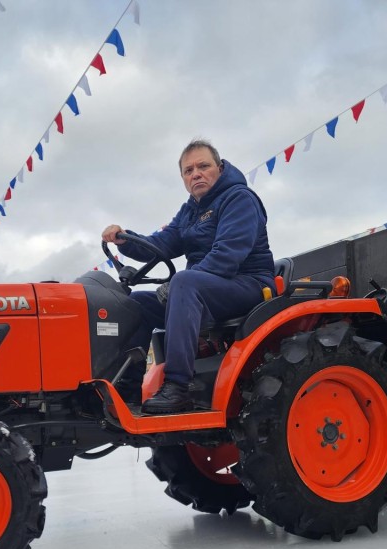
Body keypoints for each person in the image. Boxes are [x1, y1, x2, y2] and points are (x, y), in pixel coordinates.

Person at [102, 139, 275, 414]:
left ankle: (177, 387)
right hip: (207, 288)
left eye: (203, 166)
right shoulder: (190, 211)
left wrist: (180, 284)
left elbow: (227, 256)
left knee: (184, 281)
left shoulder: (239, 198)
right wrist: (125, 240)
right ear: (183, 178)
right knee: (137, 304)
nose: (196, 173)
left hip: (248, 284)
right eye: (188, 170)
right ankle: (127, 388)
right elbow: (160, 245)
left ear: (219, 168)